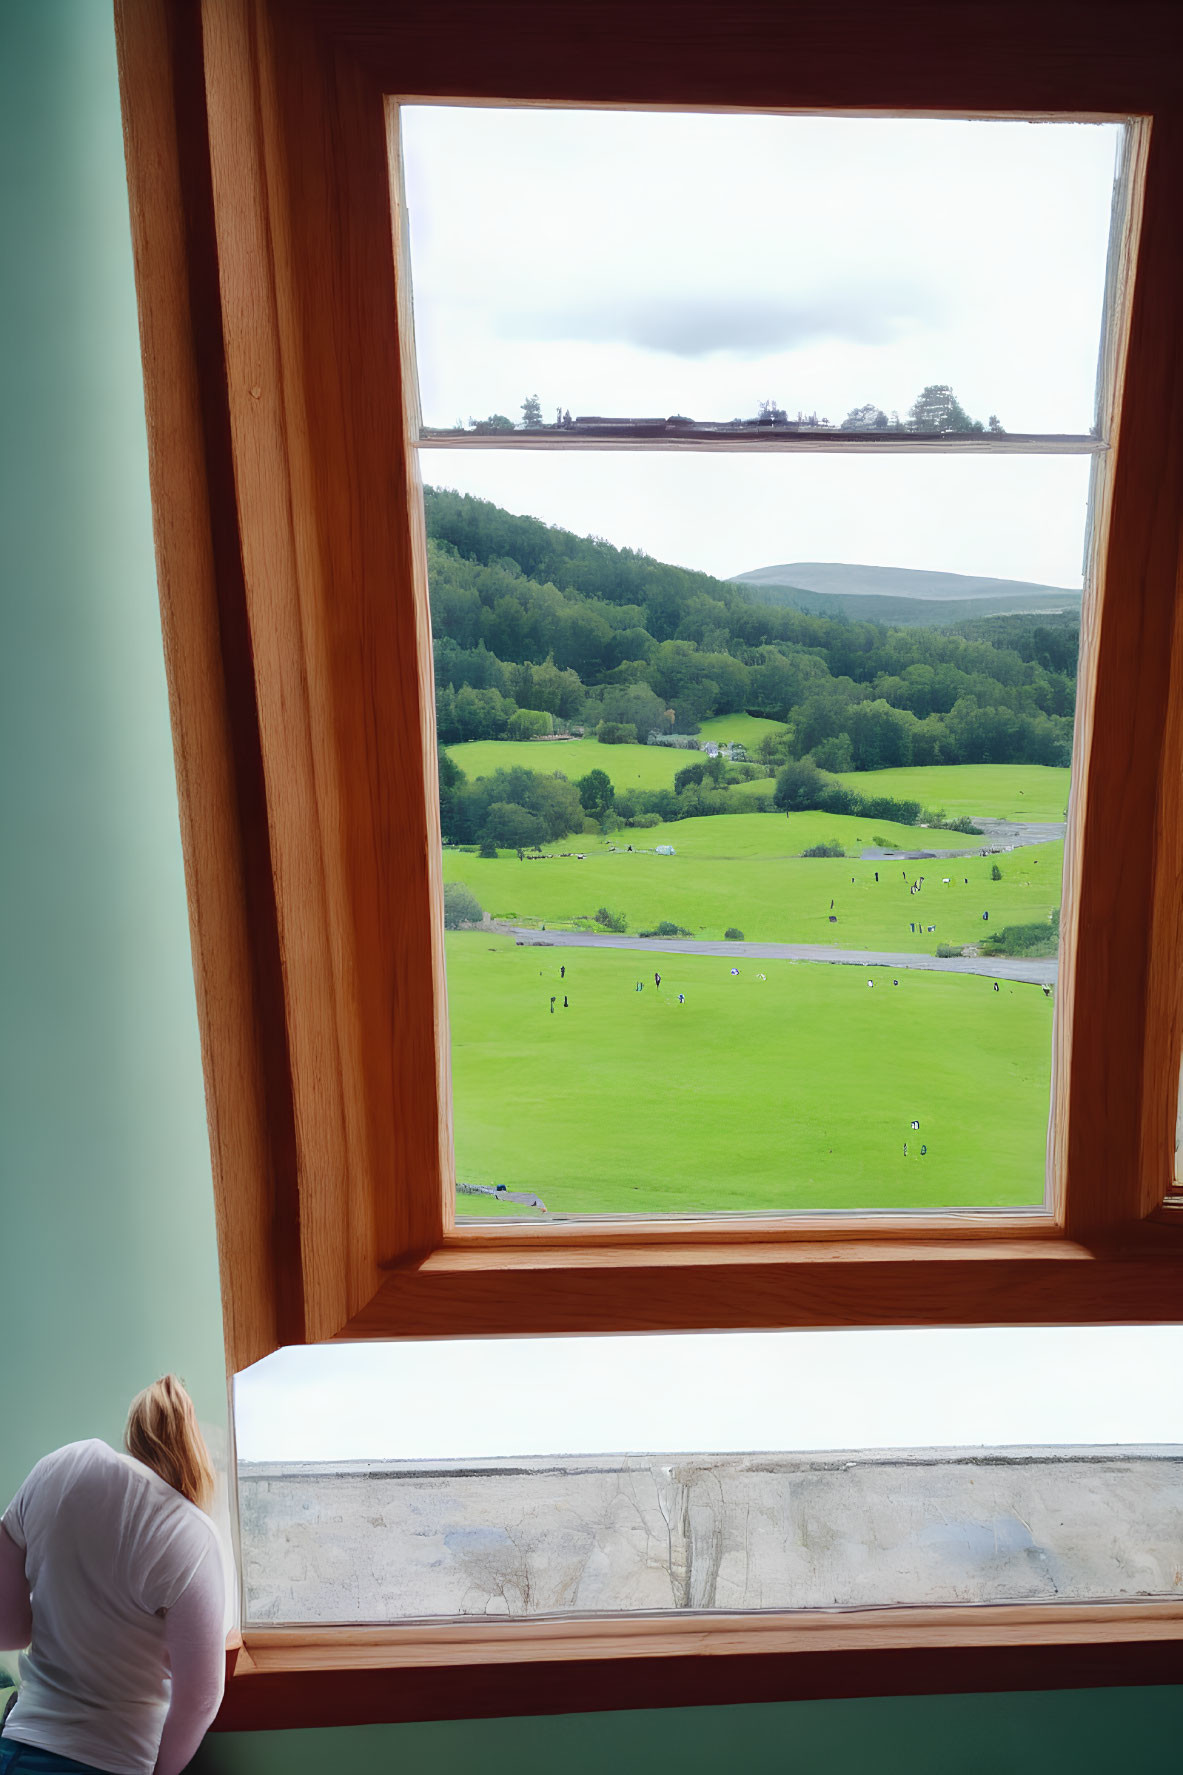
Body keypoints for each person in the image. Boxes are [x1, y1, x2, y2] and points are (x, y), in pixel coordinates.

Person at [0, 1376, 225, 1775]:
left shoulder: (60, 1467)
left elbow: (8, 1630)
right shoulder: (192, 1533)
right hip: (115, 1760)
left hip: (19, 1750)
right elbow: (201, 1698)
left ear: (133, 1432)